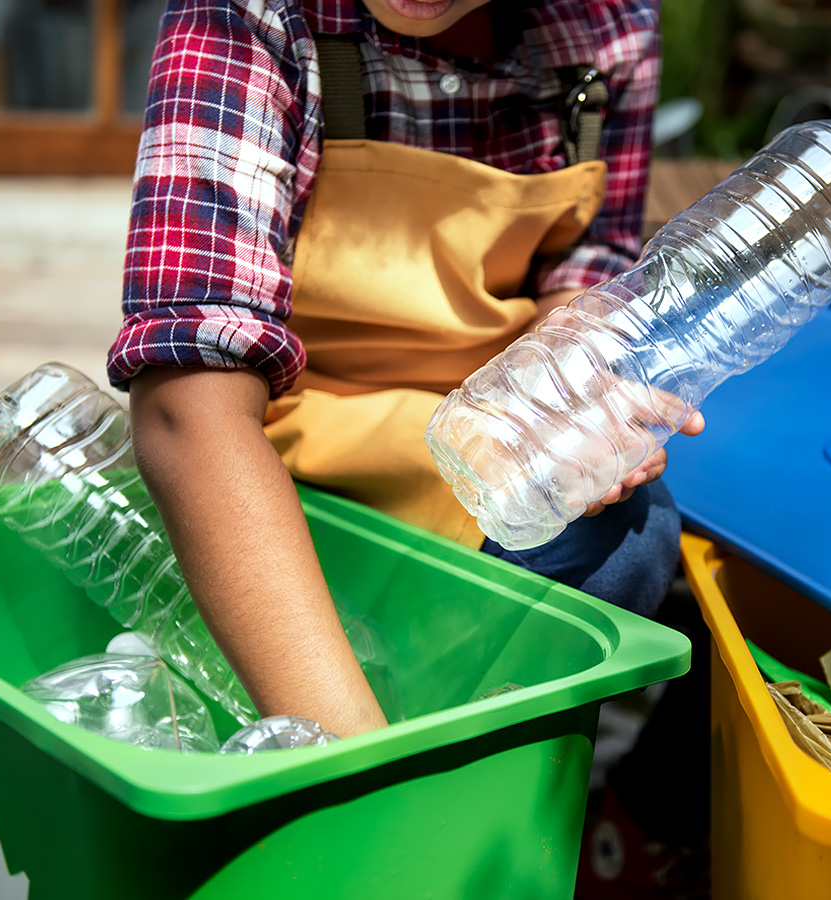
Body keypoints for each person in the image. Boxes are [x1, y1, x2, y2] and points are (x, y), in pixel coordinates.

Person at [108, 0, 703, 743]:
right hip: (281, 446)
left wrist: (570, 399)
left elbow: (583, 266)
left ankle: (454, 745)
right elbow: (186, 407)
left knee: (630, 538)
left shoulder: (607, 25)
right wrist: (349, 760)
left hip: (474, 440)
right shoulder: (252, 15)